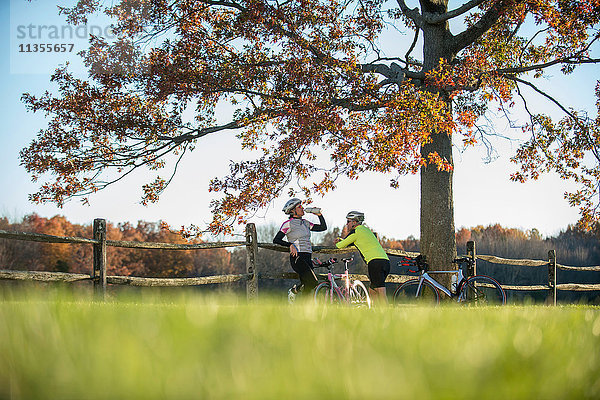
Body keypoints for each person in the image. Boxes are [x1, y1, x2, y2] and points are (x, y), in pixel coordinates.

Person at [273, 198, 327, 299]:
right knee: (313, 282)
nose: (302, 208)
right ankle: (293, 292)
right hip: (297, 257)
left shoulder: (306, 223)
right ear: (293, 210)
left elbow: (323, 228)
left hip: (308, 256)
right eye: (300, 207)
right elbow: (276, 240)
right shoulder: (288, 223)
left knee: (309, 285)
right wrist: (290, 245)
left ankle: (303, 309)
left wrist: (320, 215)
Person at [334, 211, 390, 304]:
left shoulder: (355, 232)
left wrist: (337, 241)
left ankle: (389, 316)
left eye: (348, 222)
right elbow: (350, 240)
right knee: (373, 291)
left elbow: (340, 246)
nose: (346, 224)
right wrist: (341, 239)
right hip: (385, 261)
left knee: (380, 292)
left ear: (354, 222)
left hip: (375, 262)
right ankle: (376, 314)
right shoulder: (366, 230)